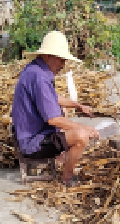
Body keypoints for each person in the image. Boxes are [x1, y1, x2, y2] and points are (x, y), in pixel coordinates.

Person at [12, 31, 100, 187]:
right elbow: (52, 119)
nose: (62, 65)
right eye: (60, 59)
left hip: (29, 133)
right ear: (48, 56)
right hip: (33, 142)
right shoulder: (39, 77)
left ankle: (62, 157)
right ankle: (67, 179)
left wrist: (78, 105)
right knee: (80, 136)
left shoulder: (35, 70)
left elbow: (52, 98)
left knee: (63, 112)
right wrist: (85, 128)